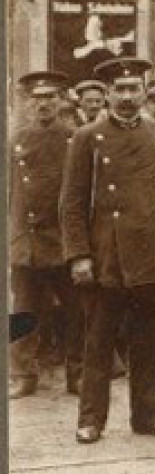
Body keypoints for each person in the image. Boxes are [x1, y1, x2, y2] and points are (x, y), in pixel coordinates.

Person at [60, 57, 155, 444]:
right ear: (106, 94)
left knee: (149, 343)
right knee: (99, 343)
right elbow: (71, 202)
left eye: (134, 89)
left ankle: (148, 416)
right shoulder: (88, 137)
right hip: (107, 257)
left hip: (153, 254)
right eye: (119, 90)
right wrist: (79, 255)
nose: (127, 97)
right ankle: (91, 420)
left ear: (144, 91)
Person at [10, 71, 81, 399]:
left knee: (75, 310)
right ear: (28, 102)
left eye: (50, 97)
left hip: (64, 240)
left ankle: (77, 374)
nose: (44, 104)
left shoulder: (75, 138)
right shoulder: (16, 140)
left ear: (62, 101)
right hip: (27, 241)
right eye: (38, 98)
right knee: (24, 310)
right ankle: (24, 374)